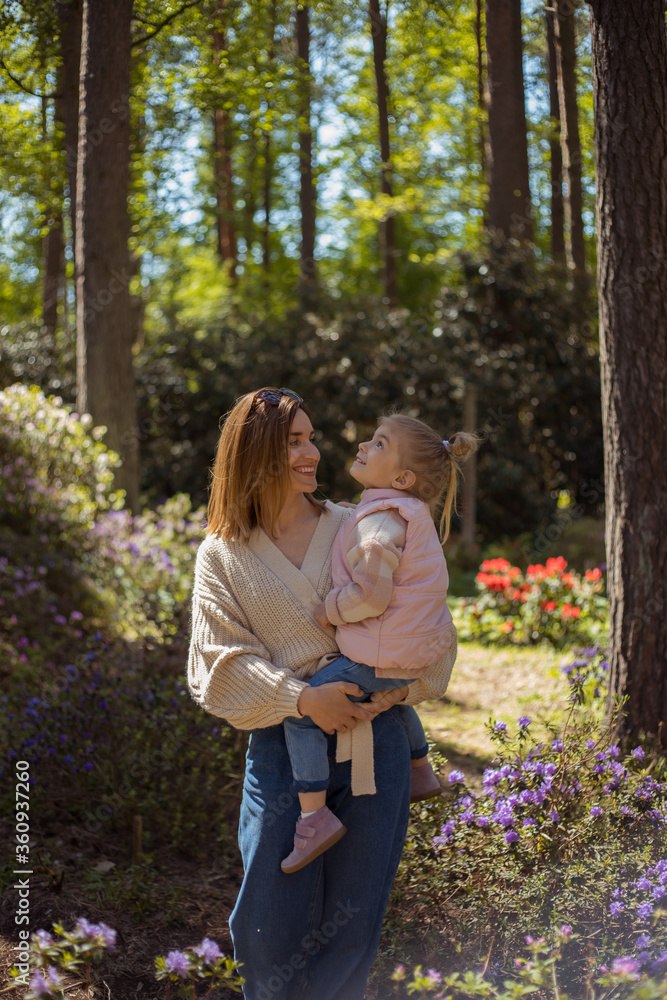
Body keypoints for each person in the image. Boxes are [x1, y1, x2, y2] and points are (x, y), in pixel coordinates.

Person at [187, 388, 460, 1000]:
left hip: (376, 744)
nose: (312, 452)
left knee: (354, 925)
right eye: (294, 441)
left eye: (310, 437)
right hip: (284, 751)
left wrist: (393, 692)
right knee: (265, 924)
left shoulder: (358, 522)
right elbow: (217, 662)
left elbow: (430, 623)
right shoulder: (222, 554)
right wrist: (304, 699)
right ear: (253, 453)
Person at [280, 413, 477, 875]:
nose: (365, 444)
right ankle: (420, 768)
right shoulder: (402, 511)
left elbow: (371, 594)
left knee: (301, 712)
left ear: (402, 478)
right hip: (410, 653)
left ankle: (314, 818)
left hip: (382, 650)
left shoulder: (382, 523)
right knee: (392, 696)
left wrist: (330, 609)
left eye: (380, 444)